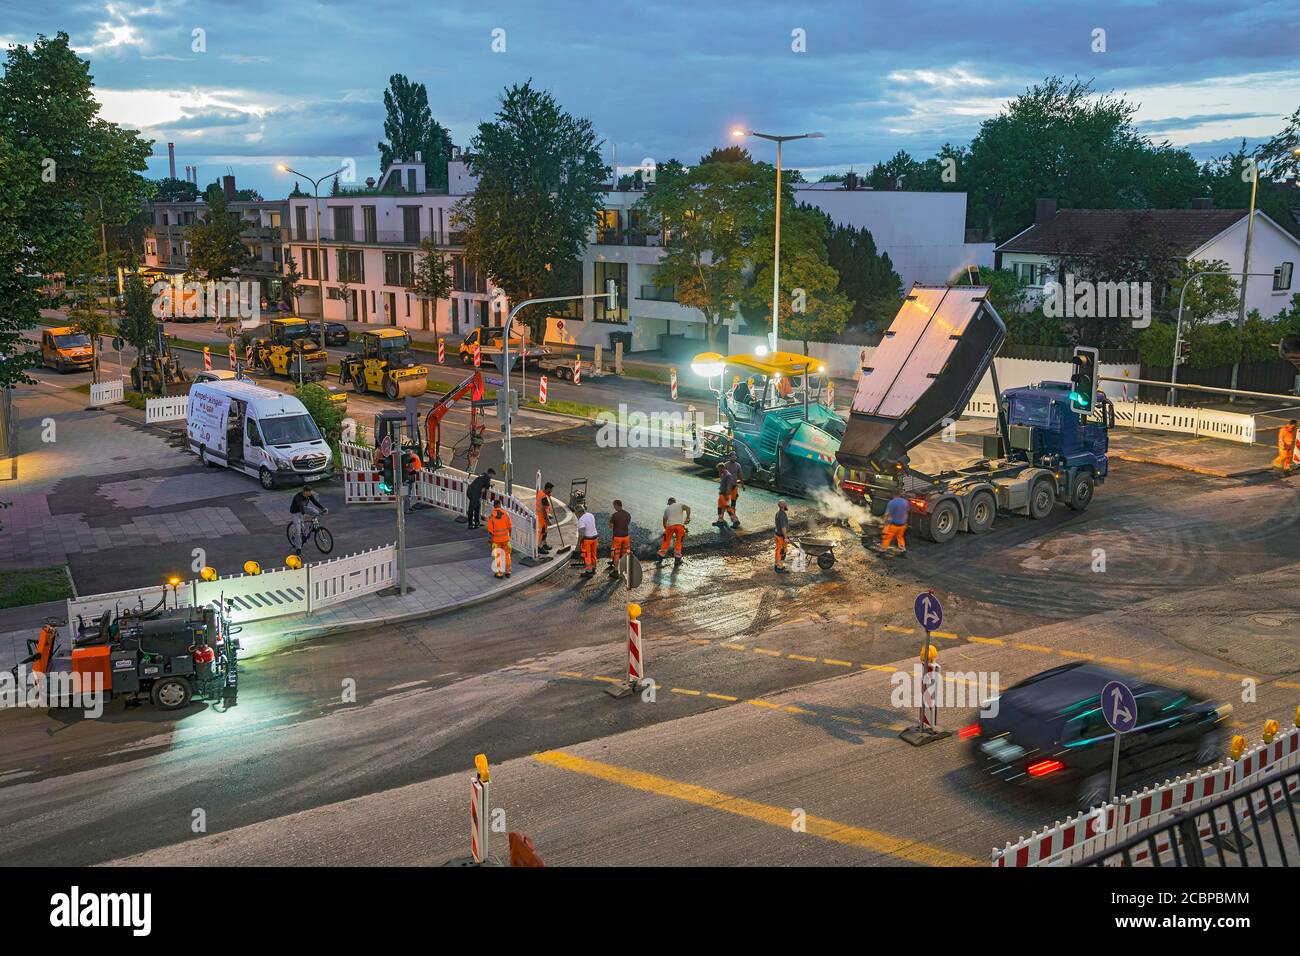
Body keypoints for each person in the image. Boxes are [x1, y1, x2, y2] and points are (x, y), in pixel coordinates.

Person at [289, 485, 327, 554]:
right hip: (296, 513)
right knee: (298, 531)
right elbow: (300, 505)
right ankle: (298, 548)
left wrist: (322, 508)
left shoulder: (309, 495)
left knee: (317, 513)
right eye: (310, 492)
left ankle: (312, 527)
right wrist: (304, 514)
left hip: (304, 509)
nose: (311, 493)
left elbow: (314, 501)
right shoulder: (298, 496)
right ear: (305, 492)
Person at [657, 496, 691, 564]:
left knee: (666, 541)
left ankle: (661, 556)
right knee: (679, 541)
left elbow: (664, 520)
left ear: (669, 502)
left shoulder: (667, 509)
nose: (669, 504)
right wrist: (688, 518)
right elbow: (688, 508)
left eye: (668, 503)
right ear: (675, 501)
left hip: (670, 527)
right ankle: (677, 559)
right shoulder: (680, 505)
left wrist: (666, 529)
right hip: (679, 526)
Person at [486, 503, 513, 578]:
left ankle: (499, 573)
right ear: (500, 505)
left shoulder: (491, 517)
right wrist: (509, 535)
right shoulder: (506, 514)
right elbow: (510, 526)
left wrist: (490, 541)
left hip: (496, 541)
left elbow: (490, 532)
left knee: (497, 557)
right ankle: (508, 571)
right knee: (507, 555)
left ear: (494, 506)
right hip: (506, 540)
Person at [880, 492, 910, 558]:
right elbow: (906, 514)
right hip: (902, 525)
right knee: (900, 537)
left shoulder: (892, 502)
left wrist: (884, 523)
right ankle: (903, 552)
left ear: (894, 495)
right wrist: (905, 523)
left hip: (893, 525)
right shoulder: (905, 502)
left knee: (887, 538)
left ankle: (882, 552)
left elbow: (887, 514)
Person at [608, 500, 632, 578]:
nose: (614, 507)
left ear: (617, 505)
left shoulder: (615, 515)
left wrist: (611, 523)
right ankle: (624, 570)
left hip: (617, 537)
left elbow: (610, 526)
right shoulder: (628, 514)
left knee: (616, 554)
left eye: (614, 506)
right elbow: (627, 524)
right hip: (626, 537)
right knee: (625, 553)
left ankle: (615, 571)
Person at [576, 505, 599, 578]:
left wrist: (578, 544)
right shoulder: (590, 515)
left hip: (587, 540)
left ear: (578, 512)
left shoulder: (581, 520)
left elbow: (581, 534)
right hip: (595, 538)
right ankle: (593, 568)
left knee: (587, 556)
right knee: (593, 554)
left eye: (576, 513)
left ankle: (589, 572)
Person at [715, 463, 740, 529]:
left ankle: (736, 521)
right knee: (720, 508)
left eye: (719, 469)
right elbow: (721, 480)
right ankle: (720, 521)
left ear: (722, 468)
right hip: (721, 494)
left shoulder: (728, 475)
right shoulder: (723, 474)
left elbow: (729, 486)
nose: (718, 471)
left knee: (728, 508)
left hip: (725, 494)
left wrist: (727, 494)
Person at [536, 482, 555, 554]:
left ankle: (544, 544)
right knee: (542, 533)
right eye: (551, 489)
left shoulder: (541, 493)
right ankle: (539, 547)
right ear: (548, 489)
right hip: (542, 518)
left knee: (545, 532)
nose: (552, 491)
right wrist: (547, 519)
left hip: (541, 516)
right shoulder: (544, 497)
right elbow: (543, 509)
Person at [774, 499, 789, 572]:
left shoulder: (778, 513)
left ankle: (777, 565)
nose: (787, 505)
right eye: (786, 504)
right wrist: (785, 537)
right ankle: (779, 567)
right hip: (781, 536)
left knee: (778, 550)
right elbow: (783, 527)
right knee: (782, 551)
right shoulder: (782, 515)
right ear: (783, 506)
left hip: (777, 534)